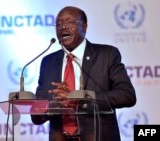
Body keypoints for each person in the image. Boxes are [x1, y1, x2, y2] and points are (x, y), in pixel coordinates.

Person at [31, 6, 136, 141]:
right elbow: (36, 117)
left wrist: (81, 102)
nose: (63, 27)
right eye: (58, 24)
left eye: (70, 22)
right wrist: (53, 106)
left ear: (84, 27)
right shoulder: (48, 61)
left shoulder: (107, 55)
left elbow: (127, 95)